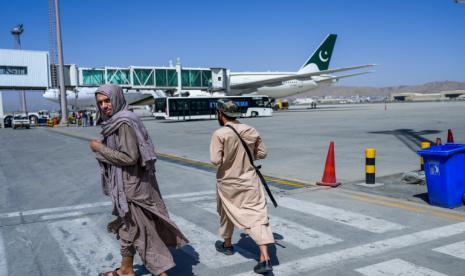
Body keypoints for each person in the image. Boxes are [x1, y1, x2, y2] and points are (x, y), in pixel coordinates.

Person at [90, 84, 188, 276]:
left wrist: (99, 149)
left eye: (107, 101)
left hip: (131, 188)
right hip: (131, 185)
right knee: (129, 228)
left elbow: (129, 157)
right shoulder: (119, 119)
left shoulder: (124, 122)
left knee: (144, 235)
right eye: (100, 102)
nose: (104, 106)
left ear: (116, 98)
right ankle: (126, 269)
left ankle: (161, 272)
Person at [209, 99, 274, 274]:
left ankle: (227, 244)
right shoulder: (250, 130)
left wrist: (229, 159)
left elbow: (215, 160)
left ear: (221, 114)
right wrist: (246, 158)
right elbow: (262, 153)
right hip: (250, 179)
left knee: (226, 211)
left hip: (228, 182)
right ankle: (265, 257)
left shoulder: (220, 133)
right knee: (257, 214)